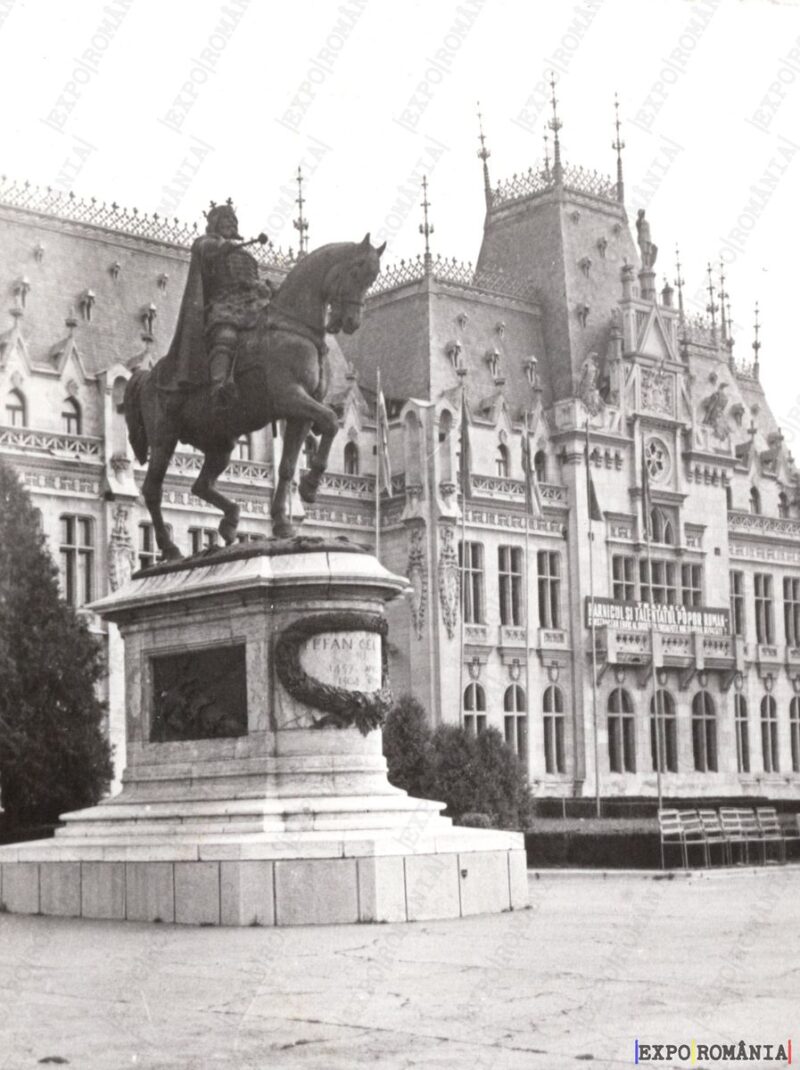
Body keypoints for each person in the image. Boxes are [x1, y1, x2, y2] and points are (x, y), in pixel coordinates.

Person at [159, 200, 271, 412]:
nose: (231, 223)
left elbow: (252, 281)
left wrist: (265, 288)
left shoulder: (245, 254)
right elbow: (203, 248)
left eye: (233, 220)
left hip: (251, 303)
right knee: (226, 334)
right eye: (226, 219)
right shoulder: (206, 242)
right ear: (215, 223)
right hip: (223, 302)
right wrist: (220, 247)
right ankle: (218, 387)